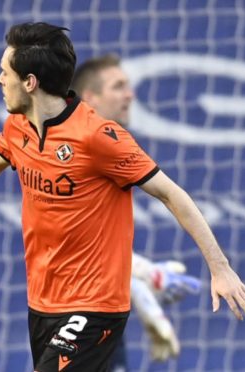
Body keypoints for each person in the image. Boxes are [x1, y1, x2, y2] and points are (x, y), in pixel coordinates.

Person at [0, 22, 245, 371]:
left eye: (5, 72)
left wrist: (220, 268)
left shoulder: (98, 136)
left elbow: (172, 194)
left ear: (30, 82)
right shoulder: (18, 128)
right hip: (43, 303)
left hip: (95, 307)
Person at [72, 54, 202, 370]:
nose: (130, 94)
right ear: (91, 98)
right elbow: (82, 248)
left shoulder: (107, 150)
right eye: (119, 86)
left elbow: (106, 255)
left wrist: (143, 292)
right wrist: (149, 281)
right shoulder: (75, 154)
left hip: (101, 316)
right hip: (73, 321)